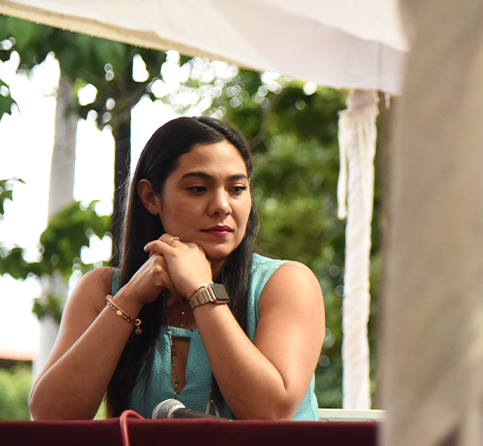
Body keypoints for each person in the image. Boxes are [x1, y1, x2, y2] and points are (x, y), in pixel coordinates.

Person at [30, 117, 325, 420]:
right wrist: (130, 297)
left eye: (236, 188)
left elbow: (271, 413)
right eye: (198, 188)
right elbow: (49, 417)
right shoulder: (104, 290)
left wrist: (202, 290)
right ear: (150, 197)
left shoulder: (286, 282)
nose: (222, 205)